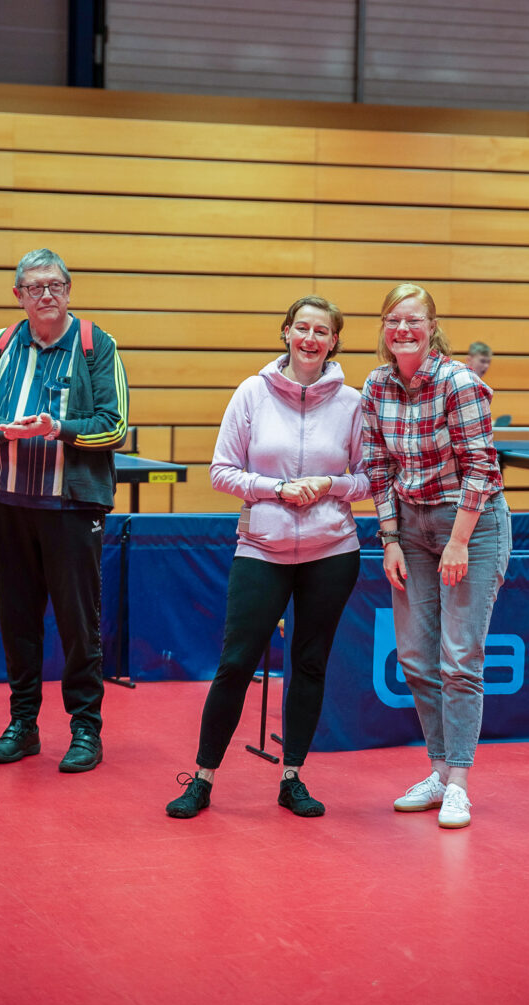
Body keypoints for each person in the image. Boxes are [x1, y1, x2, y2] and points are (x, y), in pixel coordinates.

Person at [166, 295, 369, 819]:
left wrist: (328, 484)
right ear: (285, 333)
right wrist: (276, 489)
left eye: (321, 331)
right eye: (301, 328)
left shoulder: (352, 403)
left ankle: (292, 777)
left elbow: (371, 477)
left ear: (334, 342)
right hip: (260, 548)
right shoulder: (252, 393)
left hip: (332, 551)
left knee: (309, 664)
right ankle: (203, 778)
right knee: (235, 664)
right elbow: (221, 470)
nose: (310, 338)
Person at [0, 249, 129, 772]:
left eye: (55, 285)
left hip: (70, 508)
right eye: (34, 288)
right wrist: (1, 431)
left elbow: (114, 425)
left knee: (80, 625)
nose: (46, 295)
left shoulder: (97, 346)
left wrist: (59, 429)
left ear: (69, 290)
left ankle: (84, 729)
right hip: (3, 506)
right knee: (17, 621)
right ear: (19, 296)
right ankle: (23, 724)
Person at [361, 284, 510, 828]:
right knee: (417, 660)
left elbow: (481, 468)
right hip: (411, 528)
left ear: (431, 326)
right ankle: (440, 770)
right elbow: (378, 467)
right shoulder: (376, 385)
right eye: (394, 319)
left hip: (469, 522)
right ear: (384, 327)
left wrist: (459, 541)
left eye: (414, 320)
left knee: (459, 660)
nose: (403, 329)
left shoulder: (459, 383)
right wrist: (391, 538)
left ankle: (460, 787)